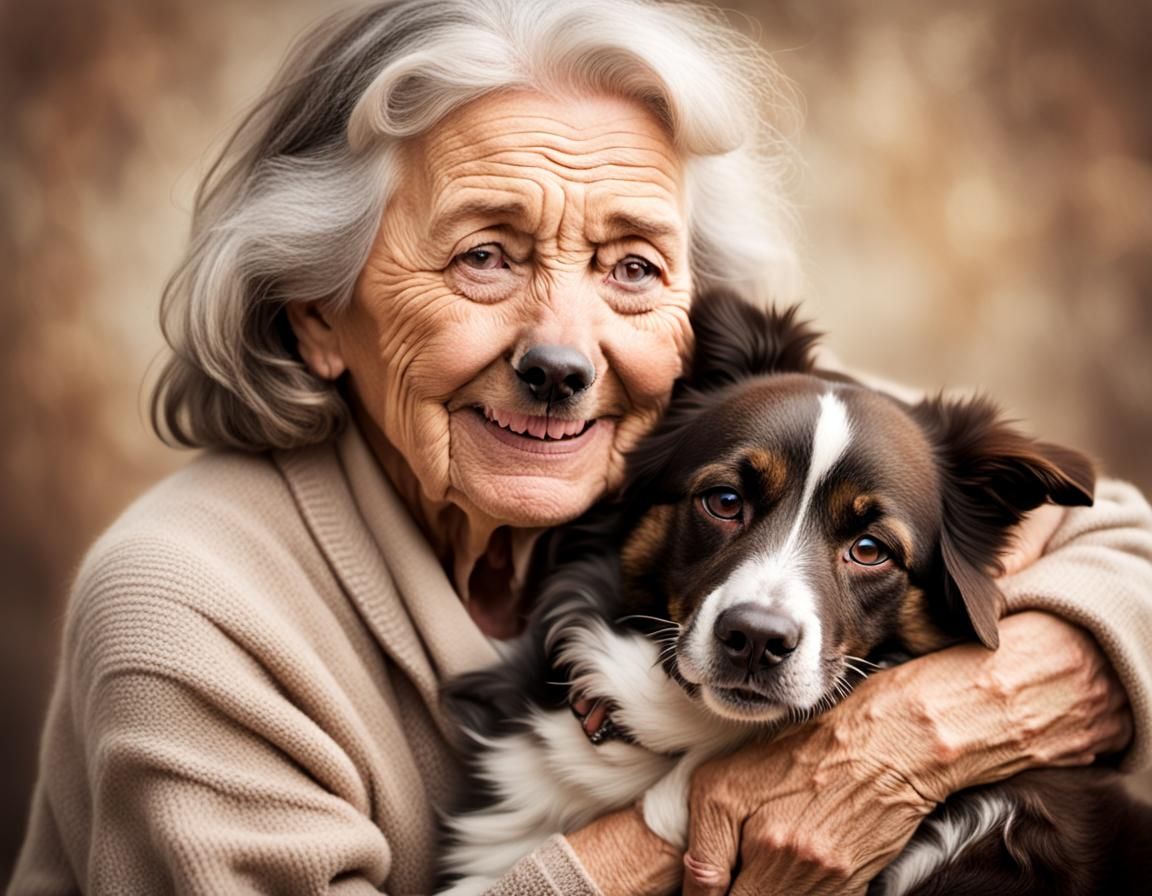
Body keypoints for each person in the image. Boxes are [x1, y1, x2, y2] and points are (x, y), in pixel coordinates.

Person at [11, 1, 1150, 894]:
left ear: (694, 313)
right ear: (317, 310)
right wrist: (688, 820)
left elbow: (1130, 558)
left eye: (632, 266)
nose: (567, 349)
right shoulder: (184, 610)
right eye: (485, 255)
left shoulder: (719, 416)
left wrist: (906, 737)